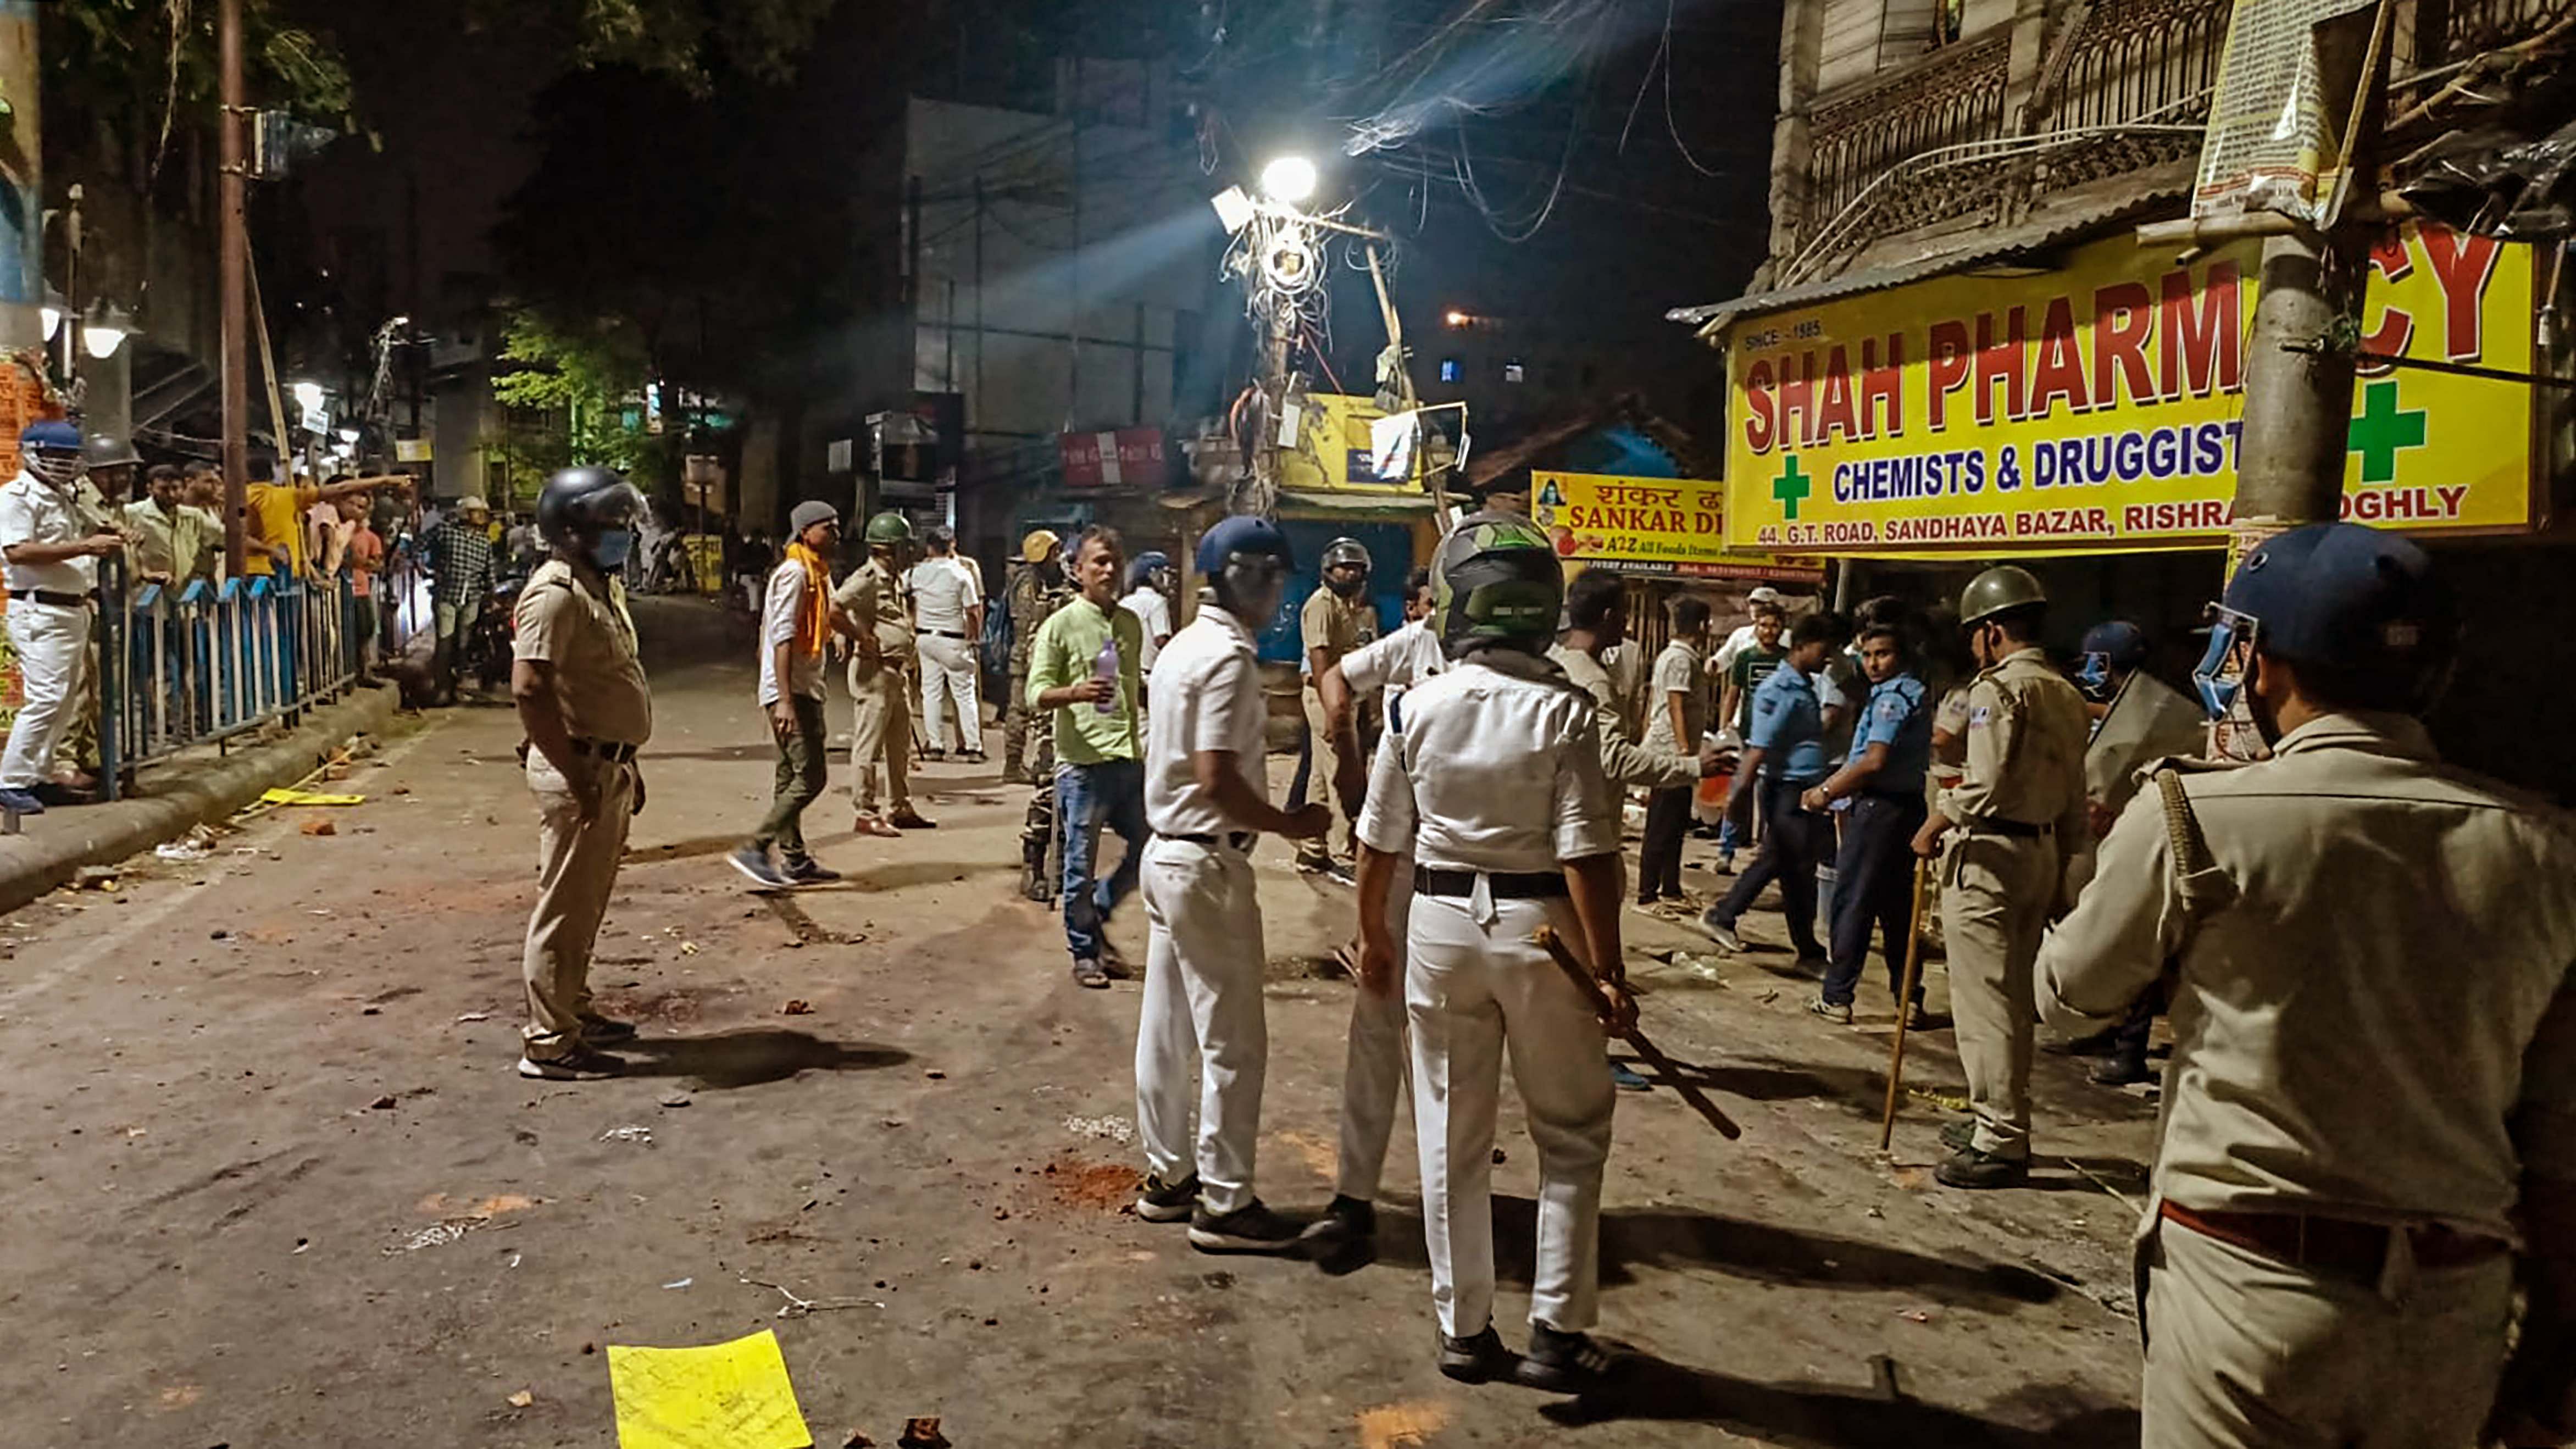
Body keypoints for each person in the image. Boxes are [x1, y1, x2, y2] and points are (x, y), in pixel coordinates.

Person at [2031, 522, 2576, 1449]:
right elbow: (2559, 1129)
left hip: (2248, 1282)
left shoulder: (2194, 815)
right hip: (2455, 1297)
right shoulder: (2545, 843)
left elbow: (2064, 1002)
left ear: (2265, 666)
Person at [1355, 511, 1634, 1392]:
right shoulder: (1566, 711)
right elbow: (1589, 854)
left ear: (1455, 608)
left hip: (1438, 927)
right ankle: (1555, 1327)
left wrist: (1373, 937)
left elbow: (1378, 842)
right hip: (1542, 933)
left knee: (1449, 1134)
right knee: (1573, 1130)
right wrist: (1609, 971)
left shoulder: (1415, 706)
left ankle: (1464, 1330)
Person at [1132, 514, 1331, 1254]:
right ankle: (1225, 1201)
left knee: (1167, 1029)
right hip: (1207, 861)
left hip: (1168, 855)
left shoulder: (1186, 644)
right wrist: (1288, 823)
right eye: (1270, 577)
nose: (1276, 592)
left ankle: (1169, 1177)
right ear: (1252, 579)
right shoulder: (1228, 660)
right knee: (1234, 1042)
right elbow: (1216, 776)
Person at [1909, 565, 2089, 1190]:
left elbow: (1981, 784)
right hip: (2038, 854)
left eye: (1972, 635)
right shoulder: (2064, 693)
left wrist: (1937, 821)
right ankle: (2003, 1120)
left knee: (1984, 1004)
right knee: (2012, 1000)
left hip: (1987, 858)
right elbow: (2074, 795)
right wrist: (2070, 865)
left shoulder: (1994, 694)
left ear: (1989, 633)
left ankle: (1998, 1139)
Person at [1306, 565, 1450, 1250]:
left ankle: (1450, 1212)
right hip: (1398, 860)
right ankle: (1354, 1194)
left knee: (1452, 1050)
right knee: (1377, 1026)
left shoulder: (1533, 678)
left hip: (1473, 882)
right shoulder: (1416, 644)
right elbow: (1336, 677)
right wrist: (1344, 738)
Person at [509, 467, 654, 1080]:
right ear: (570, 531)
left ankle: (575, 1008)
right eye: (610, 524)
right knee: (563, 909)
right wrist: (576, 773)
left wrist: (626, 760)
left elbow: (598, 682)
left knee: (587, 903)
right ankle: (549, 1043)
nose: (622, 533)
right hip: (580, 770)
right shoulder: (555, 593)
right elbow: (531, 687)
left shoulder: (599, 586)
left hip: (605, 763)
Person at [2061, 618, 2208, 1086]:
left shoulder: (2164, 713)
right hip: (2097, 835)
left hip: (2137, 833)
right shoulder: (2117, 711)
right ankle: (2101, 1028)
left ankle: (2129, 1048)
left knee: (2136, 940)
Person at [1025, 526, 1149, 989]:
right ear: (1078, 571)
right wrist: (1075, 692)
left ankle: (1097, 912)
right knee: (1078, 864)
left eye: (1115, 560)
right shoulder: (1061, 624)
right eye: (1098, 562)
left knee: (1149, 849)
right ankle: (1084, 951)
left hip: (1127, 758)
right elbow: (1034, 692)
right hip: (1081, 765)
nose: (1110, 569)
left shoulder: (1131, 624)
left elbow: (1137, 687)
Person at [1801, 621, 1933, 1026]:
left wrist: (1824, 791)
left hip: (1878, 810)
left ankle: (1837, 995)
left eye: (1883, 653)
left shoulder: (1892, 699)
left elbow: (1874, 760)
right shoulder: (1916, 692)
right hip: (1906, 807)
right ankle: (1908, 997)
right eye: (1868, 654)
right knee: (1897, 909)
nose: (1874, 663)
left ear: (1901, 655)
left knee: (1854, 901)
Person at [1700, 613, 1841, 963]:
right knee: (1782, 862)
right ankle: (1725, 915)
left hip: (1803, 790)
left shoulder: (1802, 683)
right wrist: (1736, 796)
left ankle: (1805, 947)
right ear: (1803, 647)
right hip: (1786, 791)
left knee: (1795, 869)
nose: (1828, 657)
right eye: (1824, 649)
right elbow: (1758, 748)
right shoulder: (1778, 690)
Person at [0, 422, 123, 815]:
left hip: (71, 607)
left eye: (69, 457)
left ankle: (39, 775)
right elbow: (18, 551)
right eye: (57, 456)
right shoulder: (17, 497)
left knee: (64, 700)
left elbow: (76, 537)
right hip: (40, 609)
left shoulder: (62, 497)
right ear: (34, 454)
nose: (64, 464)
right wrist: (86, 545)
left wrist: (102, 534)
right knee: (47, 698)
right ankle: (10, 780)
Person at [729, 500, 847, 891]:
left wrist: (851, 634)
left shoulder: (818, 572)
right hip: (792, 690)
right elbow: (780, 636)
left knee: (789, 773)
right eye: (828, 528)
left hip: (805, 684)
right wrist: (783, 699)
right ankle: (756, 847)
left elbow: (831, 613)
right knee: (812, 775)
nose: (836, 534)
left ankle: (794, 859)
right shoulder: (795, 573)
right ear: (805, 531)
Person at [835, 510, 932, 836]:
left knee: (899, 746)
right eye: (905, 546)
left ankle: (900, 806)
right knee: (868, 748)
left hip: (896, 673)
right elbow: (834, 609)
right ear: (889, 549)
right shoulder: (866, 579)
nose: (910, 552)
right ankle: (864, 811)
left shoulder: (896, 580)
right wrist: (859, 636)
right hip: (874, 673)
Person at [1297, 536, 1378, 879]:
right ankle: (1346, 853)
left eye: (1357, 569)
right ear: (1329, 571)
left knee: (1320, 771)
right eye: (1344, 568)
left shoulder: (1352, 608)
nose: (1351, 574)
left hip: (1347, 696)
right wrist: (1335, 711)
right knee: (1339, 769)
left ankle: (1312, 849)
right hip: (1327, 696)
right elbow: (1319, 662)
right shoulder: (1321, 604)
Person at [1637, 596, 1713, 910]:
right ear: (1701, 626)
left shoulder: (1676, 656)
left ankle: (1670, 886)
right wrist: (1684, 752)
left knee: (1676, 822)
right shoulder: (1680, 659)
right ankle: (1647, 892)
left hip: (1671, 751)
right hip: (1672, 754)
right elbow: (1675, 704)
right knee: (1662, 824)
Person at [1713, 604, 1788, 871]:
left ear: (1782, 628)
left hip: (1778, 740)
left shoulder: (1787, 660)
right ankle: (1726, 851)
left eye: (1774, 625)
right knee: (1736, 794)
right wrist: (1724, 729)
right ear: (1756, 627)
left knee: (1769, 799)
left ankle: (1766, 854)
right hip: (1747, 737)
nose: (1768, 631)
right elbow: (1732, 694)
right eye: (1764, 625)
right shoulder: (1744, 658)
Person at [908, 524, 984, 764]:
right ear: (952, 546)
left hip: (925, 638)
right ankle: (973, 747)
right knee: (964, 693)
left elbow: (903, 594)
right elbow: (973, 611)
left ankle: (936, 746)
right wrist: (975, 637)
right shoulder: (962, 573)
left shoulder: (916, 573)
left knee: (930, 693)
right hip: (954, 640)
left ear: (929, 548)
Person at [1002, 529, 1068, 785]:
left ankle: (1043, 762)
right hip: (1029, 654)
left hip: (1036, 653)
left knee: (1039, 713)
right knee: (1023, 711)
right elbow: (1028, 623)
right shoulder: (1028, 584)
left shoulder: (1047, 579)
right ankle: (1015, 764)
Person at [428, 495, 496, 704]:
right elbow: (420, 546)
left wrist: (492, 595)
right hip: (448, 595)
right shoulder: (445, 532)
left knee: (464, 644)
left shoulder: (483, 541)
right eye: (476, 512)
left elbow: (489, 571)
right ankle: (442, 688)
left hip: (472, 597)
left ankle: (458, 685)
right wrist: (430, 569)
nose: (481, 517)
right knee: (445, 643)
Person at [124, 463, 219, 591]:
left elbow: (221, 537)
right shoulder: (133, 513)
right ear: (150, 489)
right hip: (149, 590)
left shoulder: (193, 516)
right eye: (164, 489)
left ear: (184, 488)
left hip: (185, 590)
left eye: (176, 488)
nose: (171, 494)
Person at [339, 495, 386, 679]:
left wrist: (358, 562)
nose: (356, 510)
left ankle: (363, 671)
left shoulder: (370, 538)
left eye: (361, 507)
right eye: (352, 504)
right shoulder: (340, 532)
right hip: (341, 590)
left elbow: (376, 564)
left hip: (362, 590)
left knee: (365, 630)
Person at [1118, 550, 1176, 682]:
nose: (1170, 579)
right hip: (1150, 675)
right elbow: (1161, 639)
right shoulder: (1157, 601)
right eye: (1166, 573)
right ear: (1154, 574)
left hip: (1125, 673)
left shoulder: (1124, 602)